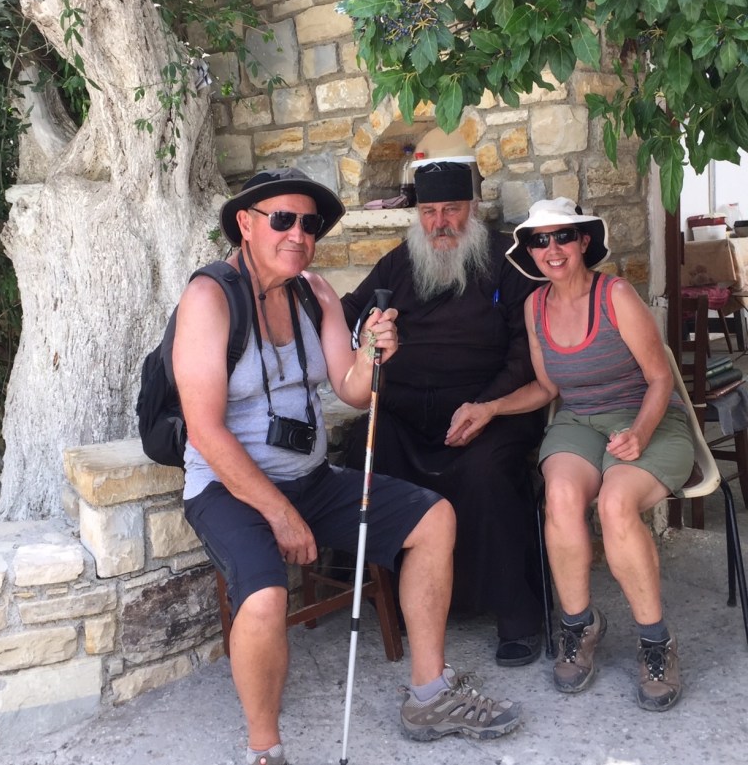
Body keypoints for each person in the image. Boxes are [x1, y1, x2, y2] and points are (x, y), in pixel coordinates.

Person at [173, 167, 522, 765]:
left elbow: (353, 390)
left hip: (309, 479)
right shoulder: (209, 297)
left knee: (433, 518)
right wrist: (280, 514)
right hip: (228, 489)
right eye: (282, 219)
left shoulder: (317, 294)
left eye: (309, 224)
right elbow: (205, 430)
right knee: (263, 597)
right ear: (246, 225)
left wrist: (372, 355)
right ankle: (266, 749)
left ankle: (430, 693)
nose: (298, 234)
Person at [447, 197, 693, 712]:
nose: (552, 249)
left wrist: (641, 434)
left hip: (646, 418)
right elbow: (545, 387)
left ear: (584, 242)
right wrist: (491, 408)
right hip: (579, 421)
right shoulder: (534, 307)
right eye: (540, 240)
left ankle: (656, 642)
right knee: (559, 496)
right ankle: (579, 627)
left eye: (563, 237)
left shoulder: (616, 295)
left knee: (616, 505)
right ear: (530, 250)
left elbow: (660, 377)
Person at [341, 160, 545, 667]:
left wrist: (486, 407)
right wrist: (363, 341)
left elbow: (525, 352)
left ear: (472, 209)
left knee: (487, 473)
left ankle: (516, 617)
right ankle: (396, 601)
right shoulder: (398, 263)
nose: (440, 222)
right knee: (367, 450)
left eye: (451, 209)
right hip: (408, 411)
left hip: (489, 409)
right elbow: (350, 314)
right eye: (429, 211)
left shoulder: (507, 261)